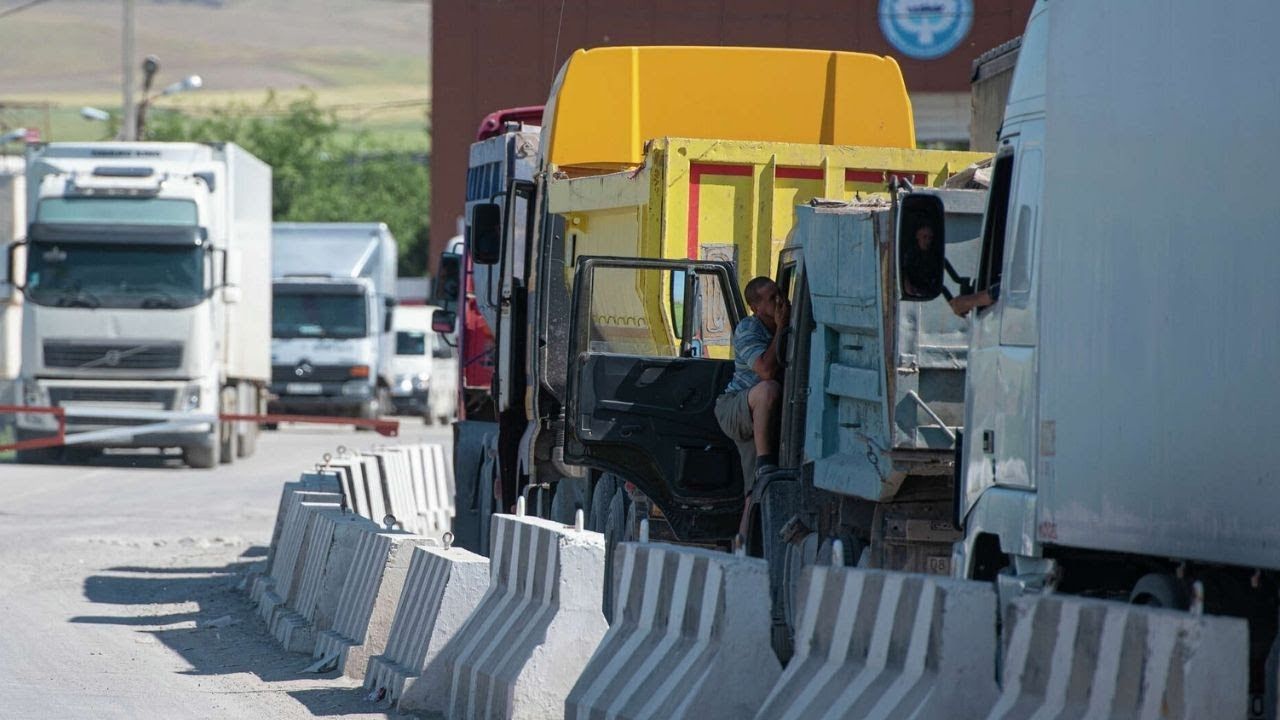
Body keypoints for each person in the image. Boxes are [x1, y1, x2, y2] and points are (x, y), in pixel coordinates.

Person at [715, 276, 789, 490]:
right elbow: (766, 371)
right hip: (736, 405)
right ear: (756, 308)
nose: (779, 301)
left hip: (762, 410)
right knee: (768, 389)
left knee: (756, 488)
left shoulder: (791, 321)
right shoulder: (748, 328)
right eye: (772, 298)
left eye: (779, 294)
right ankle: (765, 463)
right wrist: (781, 328)